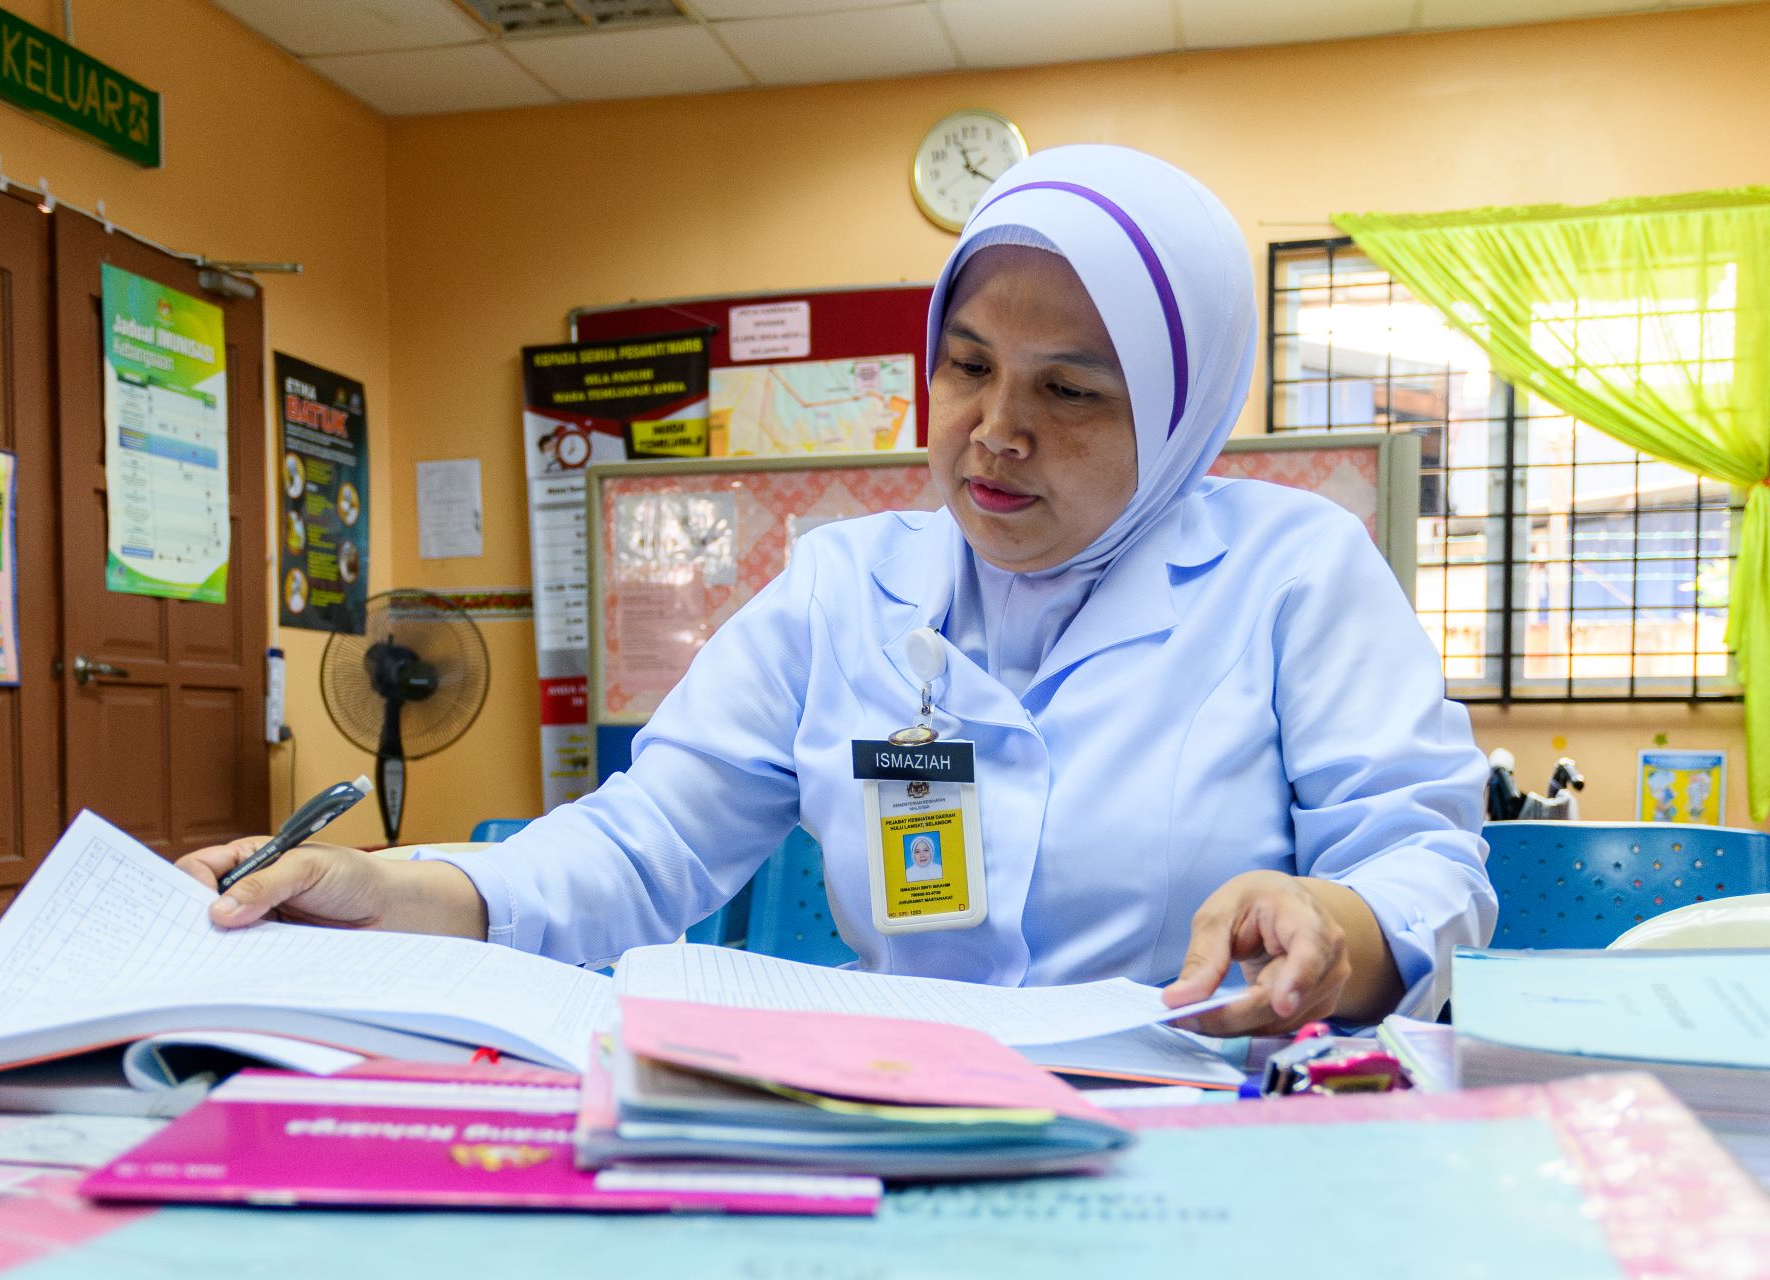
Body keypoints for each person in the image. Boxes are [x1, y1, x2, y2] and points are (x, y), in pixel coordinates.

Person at [181, 145, 1494, 1035]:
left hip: (1206, 1128)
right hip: (906, 1123)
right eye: (967, 366)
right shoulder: (846, 587)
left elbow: (1421, 860)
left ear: (1182, 410)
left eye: (1071, 389)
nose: (995, 429)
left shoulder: (1291, 570)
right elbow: (643, 847)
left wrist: (1336, 922)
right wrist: (383, 889)